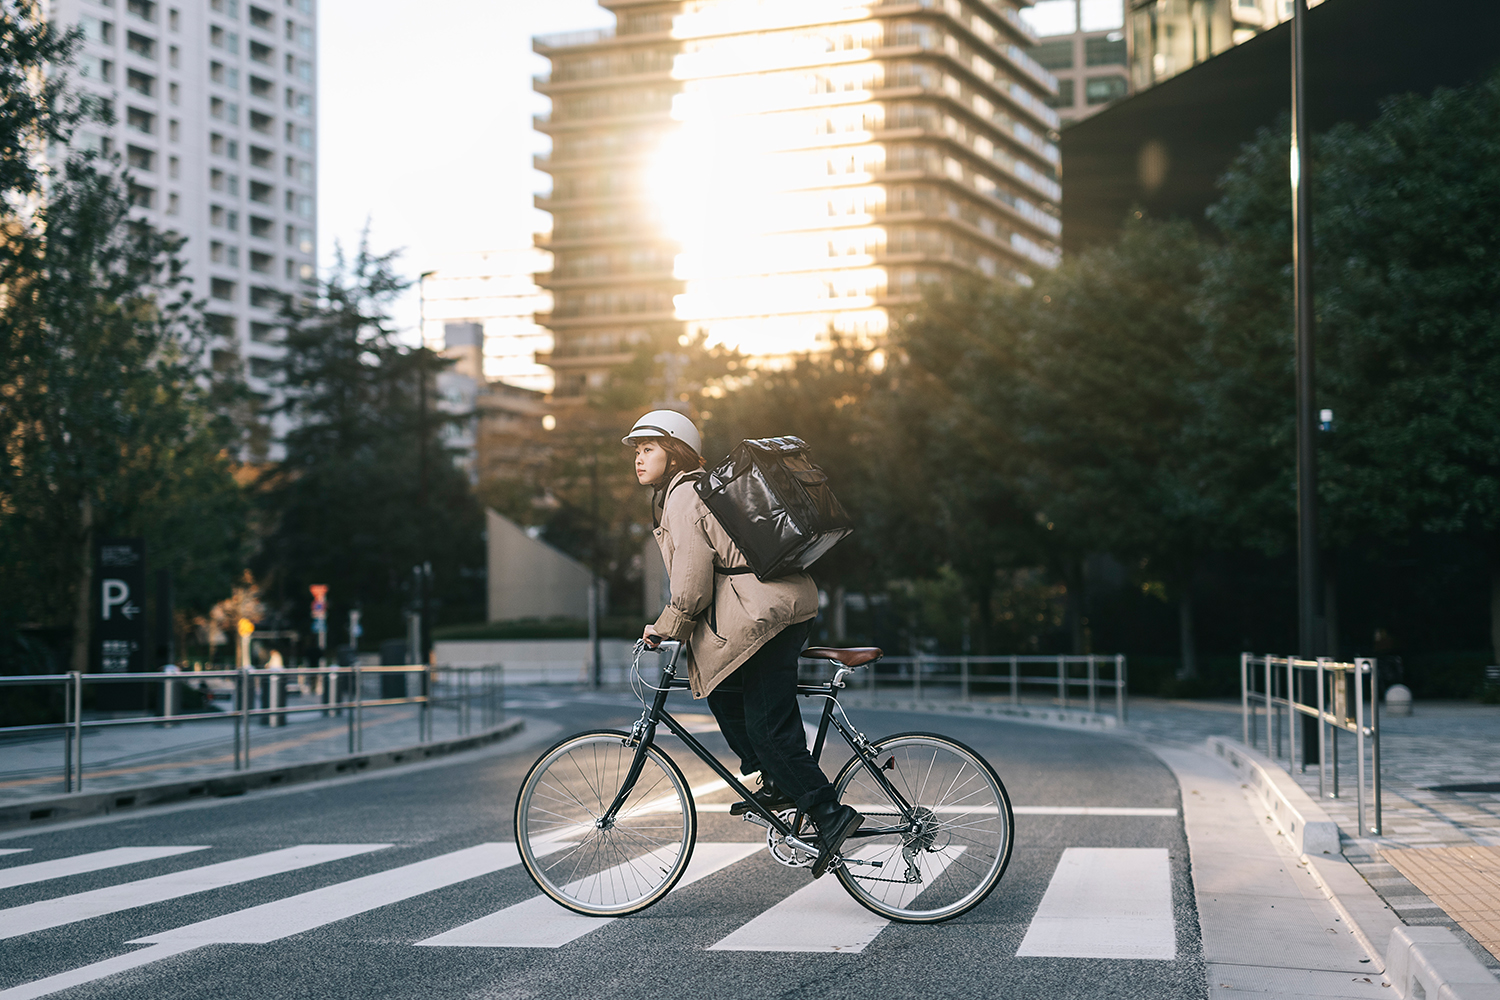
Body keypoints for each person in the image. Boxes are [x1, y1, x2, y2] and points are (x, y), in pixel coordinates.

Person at [625, 409, 863, 878]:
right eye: (636, 450)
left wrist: (665, 626)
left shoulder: (684, 495)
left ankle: (830, 816)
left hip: (764, 616)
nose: (638, 458)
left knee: (770, 729)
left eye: (648, 448)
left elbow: (691, 584)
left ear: (673, 452)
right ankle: (773, 779)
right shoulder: (699, 487)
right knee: (721, 690)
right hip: (773, 609)